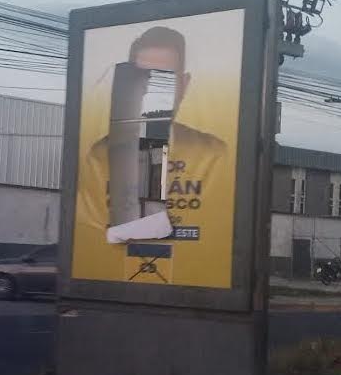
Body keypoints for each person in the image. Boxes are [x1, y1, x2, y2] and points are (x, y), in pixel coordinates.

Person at [72, 25, 236, 288]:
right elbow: (90, 224)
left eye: (165, 80)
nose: (150, 92)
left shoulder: (214, 152)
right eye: (143, 79)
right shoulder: (97, 155)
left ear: (184, 84)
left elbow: (217, 225)